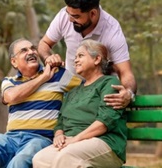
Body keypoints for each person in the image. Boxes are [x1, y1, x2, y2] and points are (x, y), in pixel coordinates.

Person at [0, 38, 82, 168]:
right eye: (24, 50)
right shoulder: (10, 81)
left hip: (40, 138)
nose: (31, 52)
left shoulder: (57, 74)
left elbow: (88, 86)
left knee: (19, 163)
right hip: (11, 138)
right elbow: (11, 97)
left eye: (33, 48)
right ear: (14, 62)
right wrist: (43, 78)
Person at [38, 0, 136, 109]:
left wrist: (128, 93)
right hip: (70, 87)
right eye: (68, 13)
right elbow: (44, 44)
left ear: (93, 14)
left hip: (99, 92)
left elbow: (125, 72)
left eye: (76, 16)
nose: (70, 20)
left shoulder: (112, 31)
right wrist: (48, 57)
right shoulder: (64, 15)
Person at [33, 39, 127, 168]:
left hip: (105, 142)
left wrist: (75, 139)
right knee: (40, 159)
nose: (75, 60)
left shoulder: (109, 83)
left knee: (67, 157)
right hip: (71, 143)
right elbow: (60, 121)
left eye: (81, 56)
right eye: (75, 57)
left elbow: (105, 122)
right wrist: (59, 135)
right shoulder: (73, 91)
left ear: (97, 59)